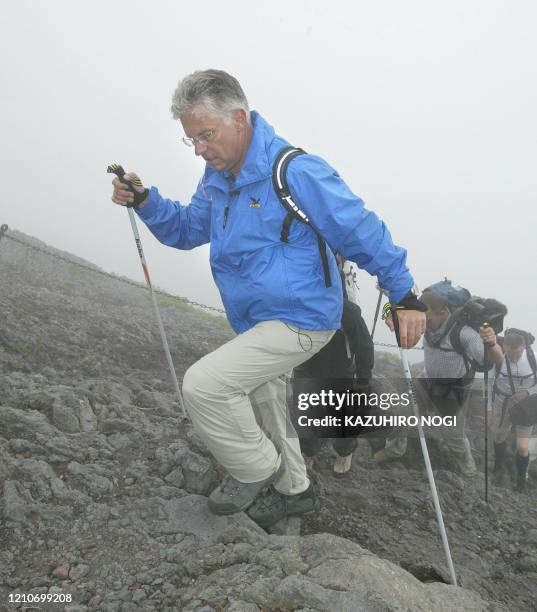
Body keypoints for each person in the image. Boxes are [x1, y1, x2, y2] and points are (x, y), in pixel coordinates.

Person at [111, 69, 426, 528]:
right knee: (267, 404)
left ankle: (255, 468)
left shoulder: (293, 171)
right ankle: (294, 492)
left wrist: (406, 295)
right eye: (190, 140)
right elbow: (186, 229)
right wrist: (144, 201)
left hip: (304, 319)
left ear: (238, 119)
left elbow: (359, 229)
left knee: (206, 385)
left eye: (205, 134)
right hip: (255, 321)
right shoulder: (217, 178)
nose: (198, 148)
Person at [374, 284, 501, 477]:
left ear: (443, 312)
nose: (423, 324)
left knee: (453, 434)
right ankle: (395, 449)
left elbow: (492, 361)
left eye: (428, 319)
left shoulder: (464, 333)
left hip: (453, 389)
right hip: (427, 380)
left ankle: (468, 469)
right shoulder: (424, 320)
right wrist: (388, 291)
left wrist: (491, 343)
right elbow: (400, 302)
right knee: (402, 410)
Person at [293, 295, 374, 475]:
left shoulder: (348, 312)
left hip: (340, 370)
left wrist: (363, 380)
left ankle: (344, 452)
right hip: (306, 368)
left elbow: (364, 346)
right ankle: (308, 452)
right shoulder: (300, 301)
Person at [490, 330, 537, 492]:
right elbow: (491, 382)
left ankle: (521, 481)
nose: (514, 358)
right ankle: (498, 466)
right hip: (502, 402)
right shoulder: (498, 358)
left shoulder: (533, 358)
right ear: (504, 347)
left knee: (523, 447)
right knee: (499, 436)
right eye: (510, 354)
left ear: (524, 347)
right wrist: (490, 409)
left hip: (526, 405)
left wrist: (527, 392)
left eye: (517, 354)